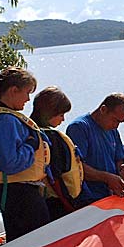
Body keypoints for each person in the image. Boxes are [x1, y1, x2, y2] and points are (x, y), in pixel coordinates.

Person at [0, 67, 51, 242]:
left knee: (25, 243)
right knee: (35, 243)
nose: (27, 99)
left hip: (14, 190)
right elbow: (9, 163)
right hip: (17, 192)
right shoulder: (5, 120)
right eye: (26, 93)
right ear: (13, 90)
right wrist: (31, 147)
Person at [66, 93, 124, 207]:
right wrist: (108, 178)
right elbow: (77, 167)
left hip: (110, 199)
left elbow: (119, 161)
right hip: (87, 200)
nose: (116, 126)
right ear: (103, 109)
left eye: (120, 122)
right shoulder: (79, 127)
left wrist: (122, 170)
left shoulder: (113, 132)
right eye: (115, 120)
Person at [29, 86, 84, 220]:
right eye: (61, 115)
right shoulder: (51, 137)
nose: (63, 119)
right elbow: (55, 177)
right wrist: (69, 204)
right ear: (49, 113)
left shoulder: (29, 131)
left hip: (41, 198)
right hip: (58, 202)